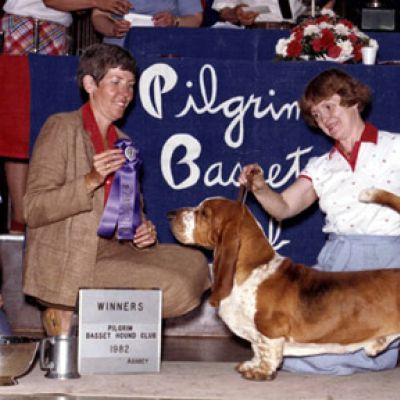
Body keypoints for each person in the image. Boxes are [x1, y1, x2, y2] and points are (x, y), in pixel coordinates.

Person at [23, 43, 210, 335]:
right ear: (90, 84)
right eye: (116, 82)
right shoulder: (62, 127)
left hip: (114, 250)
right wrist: (90, 180)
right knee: (176, 284)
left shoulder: (123, 142)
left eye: (130, 85)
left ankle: (109, 332)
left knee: (195, 263)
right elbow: (33, 208)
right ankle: (66, 311)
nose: (126, 94)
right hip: (74, 259)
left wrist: (143, 230)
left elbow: (131, 211)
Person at [238, 68, 400, 375]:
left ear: (353, 101)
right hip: (337, 266)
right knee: (287, 350)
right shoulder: (321, 166)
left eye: (329, 106)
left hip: (388, 267)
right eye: (317, 114)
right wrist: (259, 188)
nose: (325, 119)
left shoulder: (395, 147)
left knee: (351, 354)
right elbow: (284, 207)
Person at [1, 0, 131, 234]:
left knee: (45, 126)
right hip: (27, 28)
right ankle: (20, 217)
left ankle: (39, 212)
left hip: (55, 31)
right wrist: (97, 2)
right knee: (20, 126)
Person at [91, 0, 203, 47]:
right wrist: (112, 28)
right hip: (119, 50)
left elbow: (196, 19)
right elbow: (98, 16)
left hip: (166, 49)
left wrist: (175, 21)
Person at [212, 0, 335, 28]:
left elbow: (325, 5)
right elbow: (223, 9)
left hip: (298, 36)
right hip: (258, 35)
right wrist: (237, 13)